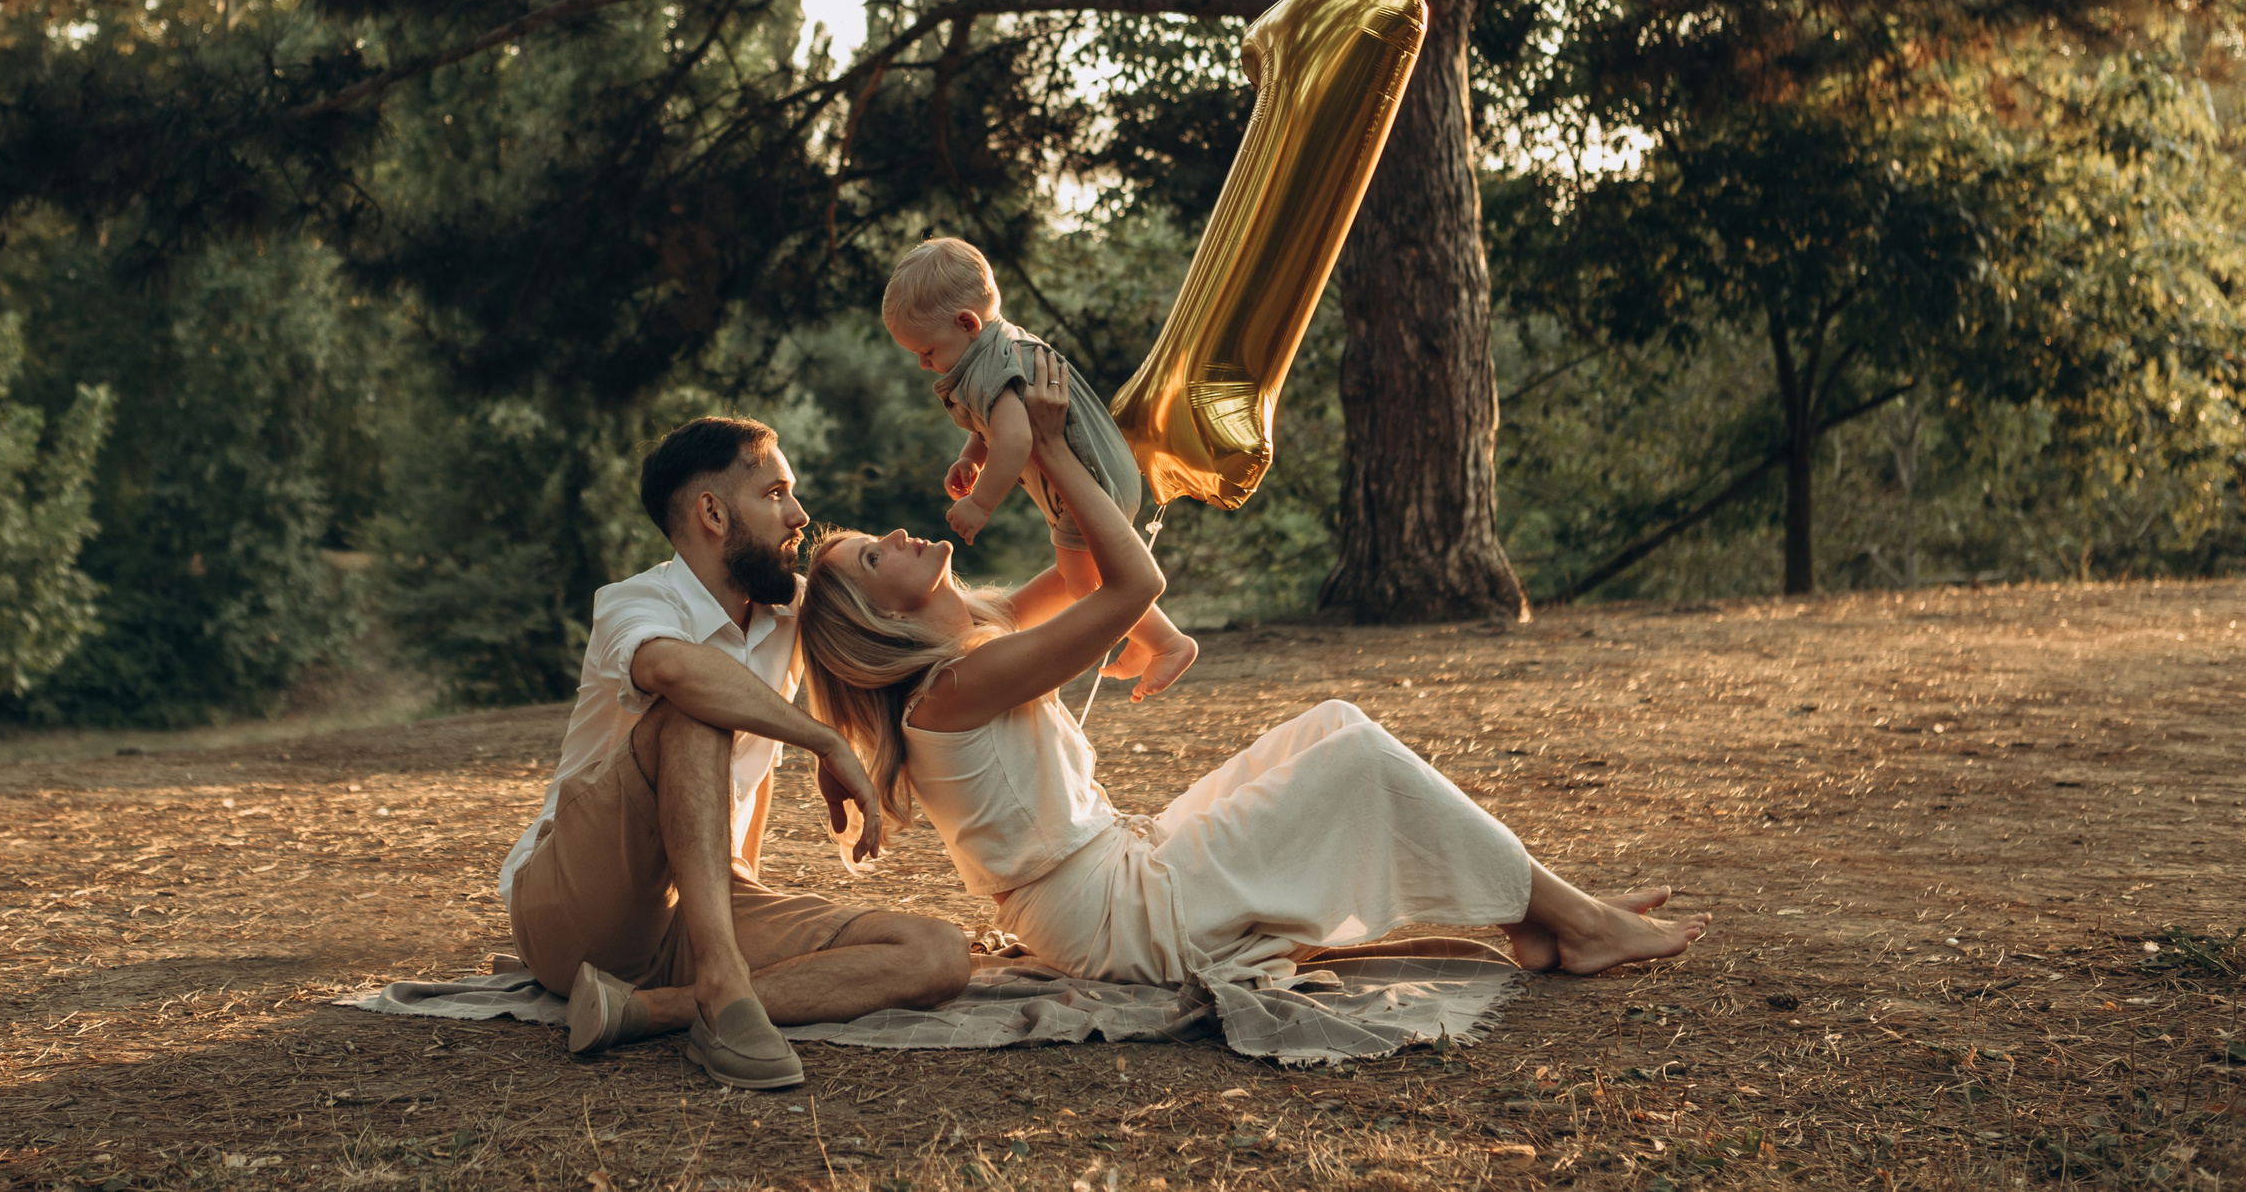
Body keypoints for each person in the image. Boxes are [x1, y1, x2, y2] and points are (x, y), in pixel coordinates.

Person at [795, 354, 1711, 988]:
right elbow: (1134, 584)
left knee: (1338, 725)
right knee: (1358, 765)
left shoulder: (979, 636)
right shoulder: (948, 696)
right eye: (876, 558)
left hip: (1119, 866)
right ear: (879, 620)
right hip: (1114, 914)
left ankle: (1532, 913)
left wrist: (1040, 458)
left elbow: (1084, 565)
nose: (900, 535)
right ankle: (1577, 923)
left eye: (875, 539)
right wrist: (1053, 451)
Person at [498, 417, 968, 1089]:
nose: (800, 515)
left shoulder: (787, 615)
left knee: (938, 952)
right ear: (712, 511)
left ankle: (649, 1010)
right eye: (776, 493)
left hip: (700, 907)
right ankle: (722, 988)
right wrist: (822, 739)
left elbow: (906, 622)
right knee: (695, 707)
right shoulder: (633, 603)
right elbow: (673, 672)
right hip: (571, 911)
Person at [880, 236, 1196, 700]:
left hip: (1089, 483)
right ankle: (1143, 638)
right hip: (1100, 476)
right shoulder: (996, 348)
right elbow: (996, 423)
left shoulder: (990, 367)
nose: (925, 365)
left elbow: (1016, 437)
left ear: (966, 323)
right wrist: (971, 455)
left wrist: (981, 503)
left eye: (926, 351)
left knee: (1087, 582)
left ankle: (1166, 641)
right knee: (1076, 574)